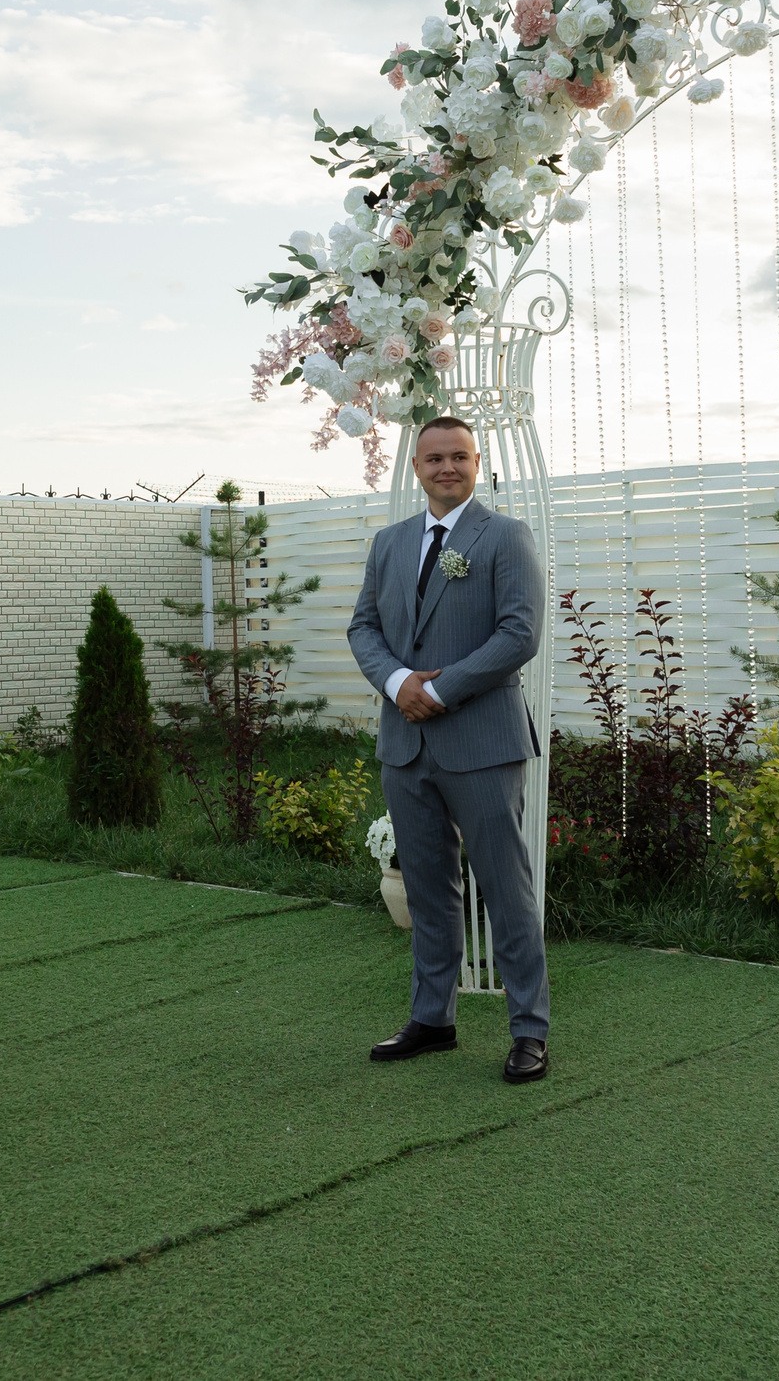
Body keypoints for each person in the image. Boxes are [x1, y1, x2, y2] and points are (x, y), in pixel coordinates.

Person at [346, 416, 549, 1083]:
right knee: (429, 890)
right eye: (435, 457)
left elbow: (519, 633)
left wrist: (442, 689)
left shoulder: (506, 537)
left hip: (482, 741)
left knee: (505, 888)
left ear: (477, 461)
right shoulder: (390, 542)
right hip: (405, 745)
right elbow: (364, 626)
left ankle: (529, 1030)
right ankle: (432, 1018)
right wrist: (400, 682)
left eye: (459, 456)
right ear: (416, 467)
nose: (447, 468)